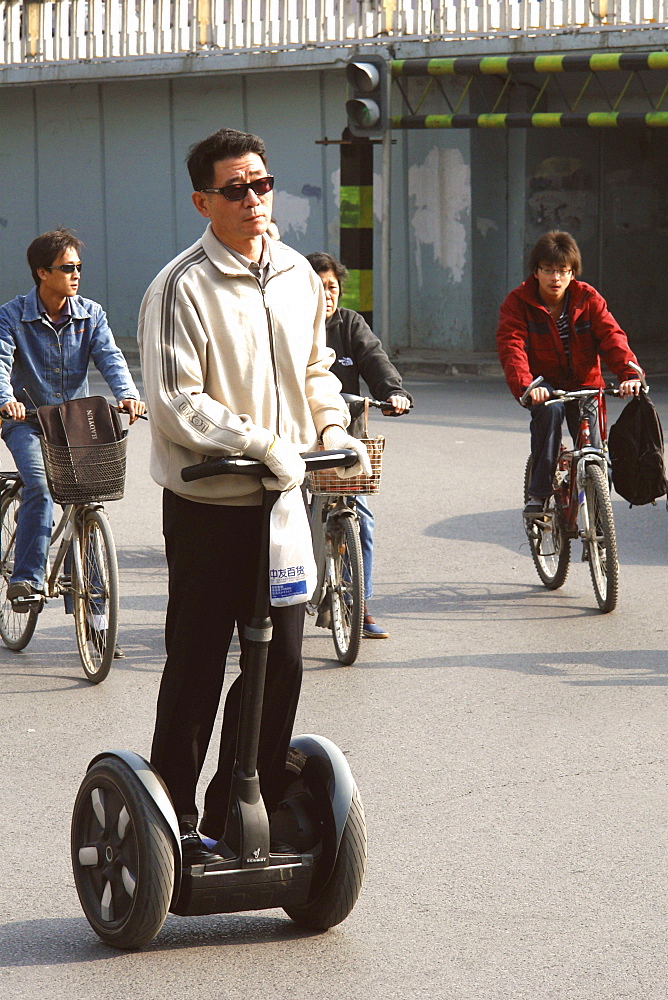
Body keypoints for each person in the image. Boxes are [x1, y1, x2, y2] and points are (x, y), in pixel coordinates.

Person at [137, 127, 370, 866]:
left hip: (283, 507)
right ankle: (169, 822)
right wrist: (265, 444)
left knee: (284, 661)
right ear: (203, 199)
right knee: (199, 664)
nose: (252, 200)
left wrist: (336, 426)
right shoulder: (181, 287)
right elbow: (177, 402)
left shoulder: (300, 275)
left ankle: (241, 811)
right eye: (235, 189)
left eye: (262, 184)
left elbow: (316, 369)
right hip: (211, 507)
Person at [0, 228, 144, 651]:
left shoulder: (91, 313)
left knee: (87, 507)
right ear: (42, 272)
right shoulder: (11, 315)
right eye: (67, 268)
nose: (76, 274)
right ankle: (26, 577)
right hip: (27, 420)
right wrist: (5, 400)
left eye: (79, 267)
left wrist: (128, 395)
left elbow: (111, 357)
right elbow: (0, 360)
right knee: (41, 487)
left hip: (73, 422)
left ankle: (98, 625)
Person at [496, 230, 642, 515]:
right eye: (548, 270)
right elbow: (511, 348)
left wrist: (629, 374)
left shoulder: (588, 298)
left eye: (563, 271)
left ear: (573, 273)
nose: (555, 278)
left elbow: (612, 337)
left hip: (585, 382)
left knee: (596, 454)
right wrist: (527, 386)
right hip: (544, 383)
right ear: (535, 272)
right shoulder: (518, 302)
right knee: (549, 414)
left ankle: (598, 523)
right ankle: (537, 495)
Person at [306, 252, 412, 639]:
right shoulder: (291, 326)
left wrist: (394, 392)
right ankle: (274, 600)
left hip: (346, 438)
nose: (327, 294)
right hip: (300, 440)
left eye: (332, 287)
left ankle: (359, 603)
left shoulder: (350, 324)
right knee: (284, 520)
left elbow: (375, 359)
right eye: (318, 287)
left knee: (362, 520)